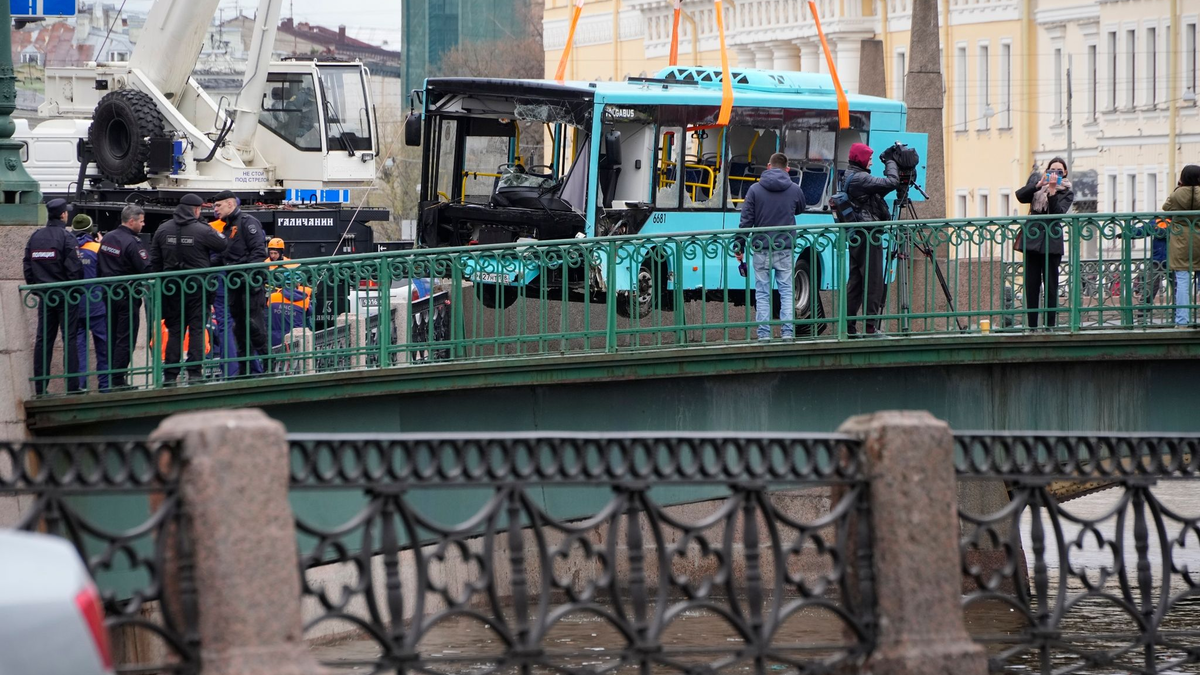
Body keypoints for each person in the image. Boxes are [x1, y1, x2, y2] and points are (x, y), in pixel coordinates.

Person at [150, 194, 227, 385]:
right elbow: (222, 244)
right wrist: (204, 225)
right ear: (196, 210)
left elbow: (155, 260)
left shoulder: (163, 229)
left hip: (171, 288)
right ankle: (195, 373)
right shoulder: (202, 230)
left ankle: (170, 375)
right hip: (198, 288)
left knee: (175, 331)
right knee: (197, 329)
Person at [734, 152, 805, 340]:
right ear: (787, 169)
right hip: (785, 247)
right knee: (787, 292)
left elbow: (746, 221)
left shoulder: (754, 190)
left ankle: (764, 335)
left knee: (762, 294)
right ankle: (787, 333)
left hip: (761, 248)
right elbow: (800, 208)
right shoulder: (795, 189)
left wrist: (739, 245)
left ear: (768, 166)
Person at [24, 198, 84, 394]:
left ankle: (40, 388)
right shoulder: (67, 237)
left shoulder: (36, 237)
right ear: (63, 215)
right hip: (66, 296)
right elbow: (75, 269)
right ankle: (72, 387)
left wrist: (37, 290)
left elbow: (27, 266)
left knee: (43, 340)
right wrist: (75, 291)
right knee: (70, 339)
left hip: (46, 296)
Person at [843, 142, 900, 336]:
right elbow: (892, 182)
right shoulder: (861, 178)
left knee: (856, 282)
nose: (871, 162)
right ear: (860, 159)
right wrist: (891, 161)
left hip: (857, 234)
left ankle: (849, 328)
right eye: (869, 159)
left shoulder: (851, 175)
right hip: (868, 235)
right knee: (873, 281)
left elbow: (878, 190)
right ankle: (870, 327)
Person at [213, 190, 269, 376]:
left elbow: (258, 252)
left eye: (218, 205)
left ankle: (268, 363)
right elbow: (225, 256)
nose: (215, 209)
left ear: (230, 204)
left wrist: (248, 276)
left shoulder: (247, 222)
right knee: (239, 329)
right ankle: (245, 369)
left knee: (254, 325)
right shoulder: (228, 227)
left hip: (249, 284)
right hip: (235, 284)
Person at [1015, 157, 1075, 329]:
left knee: (1051, 286)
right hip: (1032, 241)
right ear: (1047, 171)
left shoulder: (1066, 192)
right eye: (1052, 170)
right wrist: (1039, 184)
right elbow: (1020, 196)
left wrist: (1053, 191)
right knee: (1031, 285)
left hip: (1051, 242)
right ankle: (1032, 326)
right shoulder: (1038, 187)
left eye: (1059, 171)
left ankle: (1050, 326)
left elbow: (1057, 214)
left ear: (1065, 173)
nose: (1055, 174)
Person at [97, 204, 150, 389]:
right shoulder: (132, 242)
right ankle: (118, 380)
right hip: (127, 295)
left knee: (112, 336)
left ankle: (112, 377)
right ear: (131, 221)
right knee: (126, 339)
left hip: (108, 293)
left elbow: (100, 265)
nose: (143, 225)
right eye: (141, 221)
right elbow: (146, 268)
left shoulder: (108, 237)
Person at [69, 214, 109, 391]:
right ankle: (105, 386)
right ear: (90, 230)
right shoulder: (97, 248)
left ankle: (80, 385)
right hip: (96, 305)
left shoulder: (69, 247)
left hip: (75, 304)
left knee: (79, 348)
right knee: (103, 347)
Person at [1164, 165, 1200, 327]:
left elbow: (1166, 208)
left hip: (1180, 241)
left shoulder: (1177, 194)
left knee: (1183, 281)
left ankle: (1182, 321)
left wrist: (1178, 188)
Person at [207, 217, 240, 379]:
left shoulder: (210, 227)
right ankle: (250, 367)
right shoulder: (241, 224)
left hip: (218, 280)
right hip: (237, 280)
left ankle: (230, 370)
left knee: (225, 325)